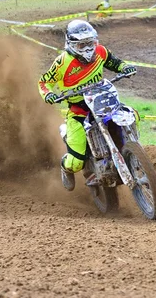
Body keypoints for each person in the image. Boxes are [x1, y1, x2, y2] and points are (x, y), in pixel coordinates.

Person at [38, 20, 136, 191]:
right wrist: (49, 95)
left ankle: (133, 149)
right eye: (82, 44)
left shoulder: (100, 51)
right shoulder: (62, 62)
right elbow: (44, 82)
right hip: (79, 111)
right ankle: (65, 167)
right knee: (76, 163)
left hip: (102, 101)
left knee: (130, 114)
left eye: (90, 43)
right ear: (72, 44)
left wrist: (125, 67)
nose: (87, 48)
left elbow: (115, 62)